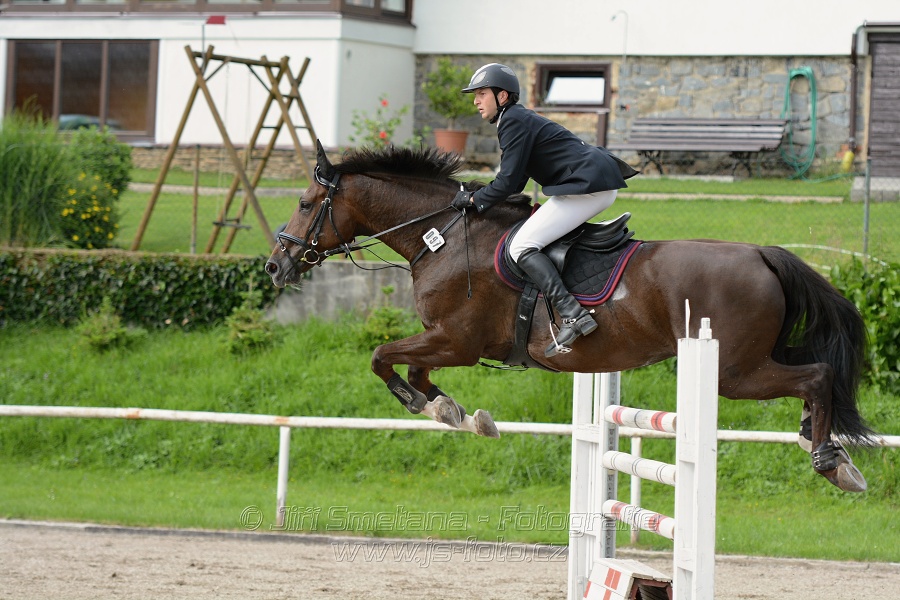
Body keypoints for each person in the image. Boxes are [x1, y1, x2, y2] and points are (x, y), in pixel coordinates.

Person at [452, 63, 638, 357]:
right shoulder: (516, 118)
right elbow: (514, 183)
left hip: (588, 187)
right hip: (592, 183)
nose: (476, 100)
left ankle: (572, 313)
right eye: (475, 95)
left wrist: (475, 200)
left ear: (502, 97)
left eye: (482, 93)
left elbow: (508, 181)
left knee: (521, 246)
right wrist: (481, 194)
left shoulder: (512, 121)